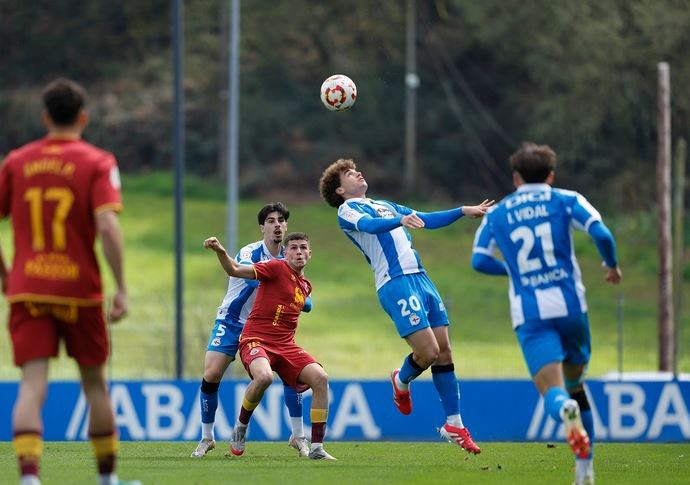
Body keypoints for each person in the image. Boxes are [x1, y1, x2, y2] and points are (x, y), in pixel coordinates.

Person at [0, 78, 139, 485]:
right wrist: (122, 287)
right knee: (95, 384)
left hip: (27, 289)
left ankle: (29, 479)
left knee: (31, 386)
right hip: (80, 290)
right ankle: (107, 479)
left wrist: (6, 275)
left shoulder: (17, 162)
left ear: (45, 117)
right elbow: (108, 226)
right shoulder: (97, 161)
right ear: (83, 117)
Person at [471, 142, 622, 485]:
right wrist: (610, 266)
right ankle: (585, 469)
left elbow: (478, 259)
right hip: (572, 309)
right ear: (551, 175)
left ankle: (564, 412)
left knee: (554, 393)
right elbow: (602, 232)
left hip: (531, 314)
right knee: (575, 384)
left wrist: (514, 271)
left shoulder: (498, 213)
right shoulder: (567, 199)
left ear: (516, 178)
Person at [319, 159, 493, 454]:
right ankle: (400, 380)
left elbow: (424, 218)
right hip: (395, 282)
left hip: (421, 278)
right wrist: (399, 220)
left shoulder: (384, 203)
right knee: (428, 352)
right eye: (350, 174)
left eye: (358, 169)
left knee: (444, 351)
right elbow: (371, 227)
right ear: (340, 190)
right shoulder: (347, 210)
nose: (359, 172)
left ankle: (454, 423)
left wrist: (464, 211)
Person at [191, 202, 312, 458]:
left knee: (292, 375)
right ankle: (207, 437)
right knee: (211, 374)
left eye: (281, 220)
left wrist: (301, 296)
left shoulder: (289, 258)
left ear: (286, 226)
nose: (277, 224)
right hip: (233, 320)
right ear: (262, 227)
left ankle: (298, 435)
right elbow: (244, 273)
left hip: (267, 327)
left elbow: (301, 294)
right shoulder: (251, 252)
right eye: (271, 220)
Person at [203, 232, 336, 460]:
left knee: (321, 379)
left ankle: (317, 448)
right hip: (256, 339)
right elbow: (234, 270)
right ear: (285, 253)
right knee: (264, 377)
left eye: (303, 247)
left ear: (310, 254)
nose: (298, 252)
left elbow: (301, 304)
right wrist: (221, 251)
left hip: (285, 345)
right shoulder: (274, 268)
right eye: (293, 248)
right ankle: (240, 429)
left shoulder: (305, 286)